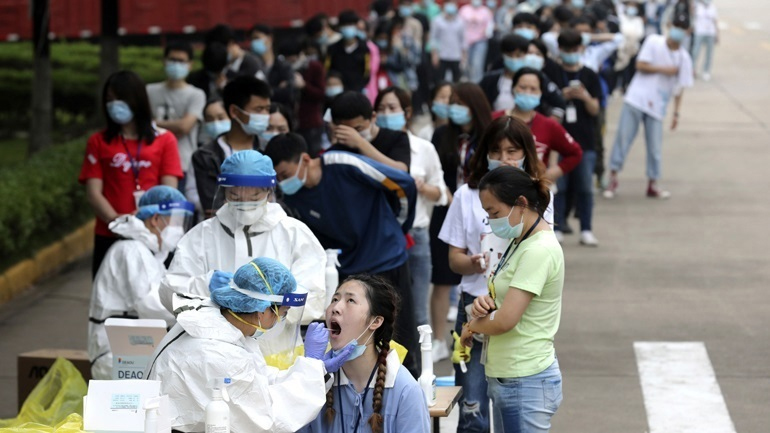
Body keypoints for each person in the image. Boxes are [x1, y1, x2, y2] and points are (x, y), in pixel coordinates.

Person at [263, 133, 421, 377]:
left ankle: (410, 384)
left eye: (285, 174)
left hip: (387, 258)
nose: (284, 183)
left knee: (401, 337)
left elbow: (403, 184)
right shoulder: (293, 198)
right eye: (279, 179)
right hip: (348, 269)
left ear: (306, 159)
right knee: (356, 342)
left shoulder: (341, 164)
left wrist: (398, 227)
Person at [147, 257, 354, 433]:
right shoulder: (217, 352)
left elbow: (257, 381)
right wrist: (311, 365)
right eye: (282, 314)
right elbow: (268, 419)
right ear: (262, 311)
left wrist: (316, 370)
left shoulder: (219, 323)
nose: (281, 320)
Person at [440, 116, 550, 433]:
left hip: (514, 308)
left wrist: (472, 325)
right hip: (474, 302)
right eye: (496, 151)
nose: (504, 158)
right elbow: (453, 260)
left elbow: (540, 258)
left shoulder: (540, 201)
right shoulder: (466, 195)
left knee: (511, 404)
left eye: (512, 151)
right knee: (472, 407)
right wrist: (472, 264)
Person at [160, 150, 327, 324]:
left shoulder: (294, 233)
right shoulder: (202, 235)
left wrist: (272, 305)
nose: (245, 203)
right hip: (215, 338)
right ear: (224, 192)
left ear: (269, 191)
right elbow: (169, 292)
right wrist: (204, 285)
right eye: (235, 196)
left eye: (254, 196)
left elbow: (313, 297)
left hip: (277, 340)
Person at [461, 167, 564, 433]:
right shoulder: (520, 241)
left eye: (494, 213)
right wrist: (485, 303)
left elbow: (506, 320)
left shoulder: (538, 250)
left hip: (524, 379)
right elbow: (507, 300)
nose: (491, 220)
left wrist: (471, 326)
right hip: (512, 376)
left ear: (521, 204)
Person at [79, 70, 183, 278]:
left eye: (121, 99)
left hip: (154, 234)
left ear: (137, 100)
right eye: (110, 100)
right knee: (109, 294)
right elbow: (93, 192)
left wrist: (145, 218)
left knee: (156, 293)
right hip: (110, 233)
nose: (114, 105)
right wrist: (117, 221)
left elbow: (169, 189)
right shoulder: (98, 142)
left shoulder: (164, 140)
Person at [299, 275, 431, 433]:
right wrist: (309, 372)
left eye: (350, 300)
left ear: (375, 322)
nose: (335, 308)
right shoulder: (317, 382)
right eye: (334, 299)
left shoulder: (405, 391)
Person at [89, 186, 193, 380]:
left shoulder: (147, 253)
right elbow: (152, 304)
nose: (180, 229)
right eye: (176, 222)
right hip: (118, 354)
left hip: (129, 349)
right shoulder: (133, 250)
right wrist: (198, 308)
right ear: (155, 219)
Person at [375, 86, 449, 329]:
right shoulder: (370, 149)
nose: (387, 114)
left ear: (406, 112)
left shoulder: (423, 148)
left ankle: (421, 354)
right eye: (381, 108)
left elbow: (440, 193)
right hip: (380, 238)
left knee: (417, 311)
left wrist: (420, 187)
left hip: (415, 235)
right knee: (382, 309)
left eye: (392, 108)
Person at [429, 82, 492, 361]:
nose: (453, 107)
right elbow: (434, 170)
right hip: (446, 208)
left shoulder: (488, 136)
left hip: (480, 208)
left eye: (459, 102)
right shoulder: (442, 134)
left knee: (479, 269)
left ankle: (481, 331)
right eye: (451, 102)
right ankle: (439, 339)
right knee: (442, 276)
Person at [604, 14, 693, 199]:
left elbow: (680, 89)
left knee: (655, 148)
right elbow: (640, 65)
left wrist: (676, 113)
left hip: (657, 106)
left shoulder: (684, 58)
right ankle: (613, 177)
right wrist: (665, 70)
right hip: (636, 99)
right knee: (623, 139)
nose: (678, 30)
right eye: (676, 26)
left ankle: (653, 183)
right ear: (670, 25)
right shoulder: (654, 41)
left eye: (682, 28)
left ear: (687, 32)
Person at [191, 76, 271, 218]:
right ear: (235, 111)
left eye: (267, 109)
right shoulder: (206, 156)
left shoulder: (269, 150)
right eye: (259, 109)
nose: (265, 115)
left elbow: (278, 202)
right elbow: (212, 208)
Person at [551, 28, 602, 246]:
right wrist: (561, 96)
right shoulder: (552, 73)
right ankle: (557, 226)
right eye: (566, 49)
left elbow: (595, 109)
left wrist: (584, 96)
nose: (571, 53)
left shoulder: (589, 75)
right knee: (559, 187)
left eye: (574, 49)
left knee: (585, 188)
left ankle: (586, 229)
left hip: (584, 140)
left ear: (580, 49)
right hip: (558, 141)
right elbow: (546, 104)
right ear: (559, 49)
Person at [495, 68, 583, 187]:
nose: (527, 92)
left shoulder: (548, 125)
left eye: (533, 89)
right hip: (498, 188)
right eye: (523, 87)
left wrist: (550, 174)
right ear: (513, 89)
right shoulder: (494, 120)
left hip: (533, 193)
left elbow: (575, 153)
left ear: (541, 93)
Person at [146, 41, 206, 190]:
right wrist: (175, 125)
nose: (176, 64)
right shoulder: (149, 91)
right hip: (151, 163)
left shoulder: (196, 94)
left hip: (183, 164)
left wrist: (153, 123)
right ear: (164, 61)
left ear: (190, 65)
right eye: (172, 60)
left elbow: (184, 127)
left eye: (181, 61)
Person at [480, 33, 566, 120]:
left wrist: (546, 125)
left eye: (518, 55)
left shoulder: (537, 78)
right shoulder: (490, 80)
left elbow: (559, 103)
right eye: (510, 55)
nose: (514, 59)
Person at [327, 91, 410, 172]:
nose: (352, 135)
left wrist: (360, 143)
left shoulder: (397, 138)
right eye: (347, 130)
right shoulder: (338, 150)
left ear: (373, 117)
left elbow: (401, 171)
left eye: (358, 129)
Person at [285, 38, 326, 156]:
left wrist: (304, 86)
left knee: (312, 153)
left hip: (310, 122)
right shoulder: (286, 69)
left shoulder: (314, 67)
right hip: (293, 121)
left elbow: (321, 94)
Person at [249, 24, 297, 107]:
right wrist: (276, 90)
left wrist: (262, 92)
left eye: (257, 38)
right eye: (252, 39)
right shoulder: (252, 67)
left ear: (270, 39)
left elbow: (287, 94)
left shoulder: (283, 66)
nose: (253, 43)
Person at [326, 10, 371, 93]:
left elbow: (367, 71)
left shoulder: (364, 48)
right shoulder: (333, 49)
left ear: (356, 26)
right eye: (345, 25)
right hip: (338, 90)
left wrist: (361, 86)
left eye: (350, 24)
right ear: (340, 27)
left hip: (357, 89)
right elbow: (328, 69)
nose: (347, 28)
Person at [429, 1, 465, 83]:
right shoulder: (437, 21)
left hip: (456, 55)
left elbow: (463, 40)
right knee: (440, 80)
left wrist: (464, 55)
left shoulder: (460, 21)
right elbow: (433, 38)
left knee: (456, 81)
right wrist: (434, 54)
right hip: (442, 55)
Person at [459, 0, 494, 83]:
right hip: (465, 41)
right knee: (466, 63)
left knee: (477, 63)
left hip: (480, 40)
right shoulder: (464, 10)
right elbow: (459, 25)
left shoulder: (485, 11)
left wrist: (487, 32)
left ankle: (477, 83)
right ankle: (466, 83)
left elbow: (490, 25)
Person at [691, 0, 718, 81]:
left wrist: (717, 34)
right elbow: (692, 15)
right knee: (695, 52)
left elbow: (715, 21)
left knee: (709, 53)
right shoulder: (698, 6)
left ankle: (706, 71)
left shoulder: (713, 7)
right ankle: (693, 69)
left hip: (710, 33)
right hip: (699, 32)